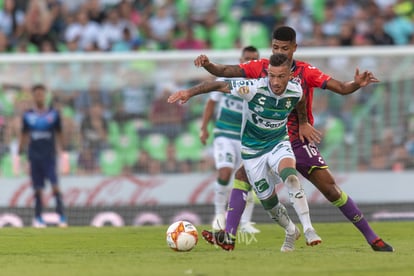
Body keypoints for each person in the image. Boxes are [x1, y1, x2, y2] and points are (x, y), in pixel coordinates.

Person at [195, 26, 394, 252]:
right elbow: (227, 71)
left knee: (330, 189)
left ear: (295, 48)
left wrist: (356, 84)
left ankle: (372, 238)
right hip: (269, 141)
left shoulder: (306, 71)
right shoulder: (262, 68)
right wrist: (208, 65)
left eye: (285, 48)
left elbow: (340, 87)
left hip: (297, 140)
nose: (280, 51)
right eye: (276, 47)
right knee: (242, 175)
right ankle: (229, 236)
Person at [168, 53, 319, 252]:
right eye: (271, 76)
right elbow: (219, 84)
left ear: (290, 76)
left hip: (278, 143)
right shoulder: (254, 88)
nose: (275, 81)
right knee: (269, 203)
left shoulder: (295, 90)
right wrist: (189, 92)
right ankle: (291, 231)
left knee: (290, 177)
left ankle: (309, 229)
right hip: (252, 151)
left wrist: (303, 123)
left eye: (280, 76)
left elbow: (300, 103)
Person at [199, 46, 260, 234]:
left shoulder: (260, 82)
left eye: (253, 59)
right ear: (241, 58)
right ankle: (219, 216)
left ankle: (246, 223)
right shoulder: (226, 78)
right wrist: (204, 128)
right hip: (224, 133)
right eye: (247, 58)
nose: (249, 61)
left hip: (246, 137)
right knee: (225, 173)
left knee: (247, 178)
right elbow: (211, 102)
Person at [18, 84, 67, 228]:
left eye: (41, 94)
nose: (39, 96)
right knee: (38, 188)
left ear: (45, 96)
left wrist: (63, 149)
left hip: (49, 156)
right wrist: (20, 151)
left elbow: (59, 132)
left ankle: (61, 216)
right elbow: (24, 134)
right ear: (33, 96)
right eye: (37, 94)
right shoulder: (28, 115)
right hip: (34, 156)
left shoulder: (53, 114)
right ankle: (38, 217)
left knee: (55, 186)